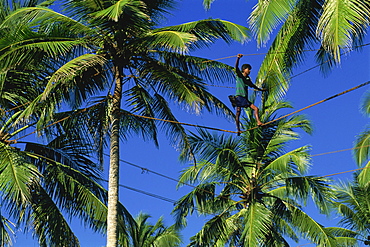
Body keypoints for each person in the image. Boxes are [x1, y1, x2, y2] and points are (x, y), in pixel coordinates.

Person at [230, 54, 265, 135]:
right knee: (244, 111)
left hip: (242, 98)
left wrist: (261, 90)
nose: (249, 71)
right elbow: (236, 67)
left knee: (250, 110)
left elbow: (252, 85)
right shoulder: (240, 76)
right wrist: (238, 58)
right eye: (248, 69)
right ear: (244, 69)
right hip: (239, 97)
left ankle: (256, 123)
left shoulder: (247, 79)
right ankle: (240, 129)